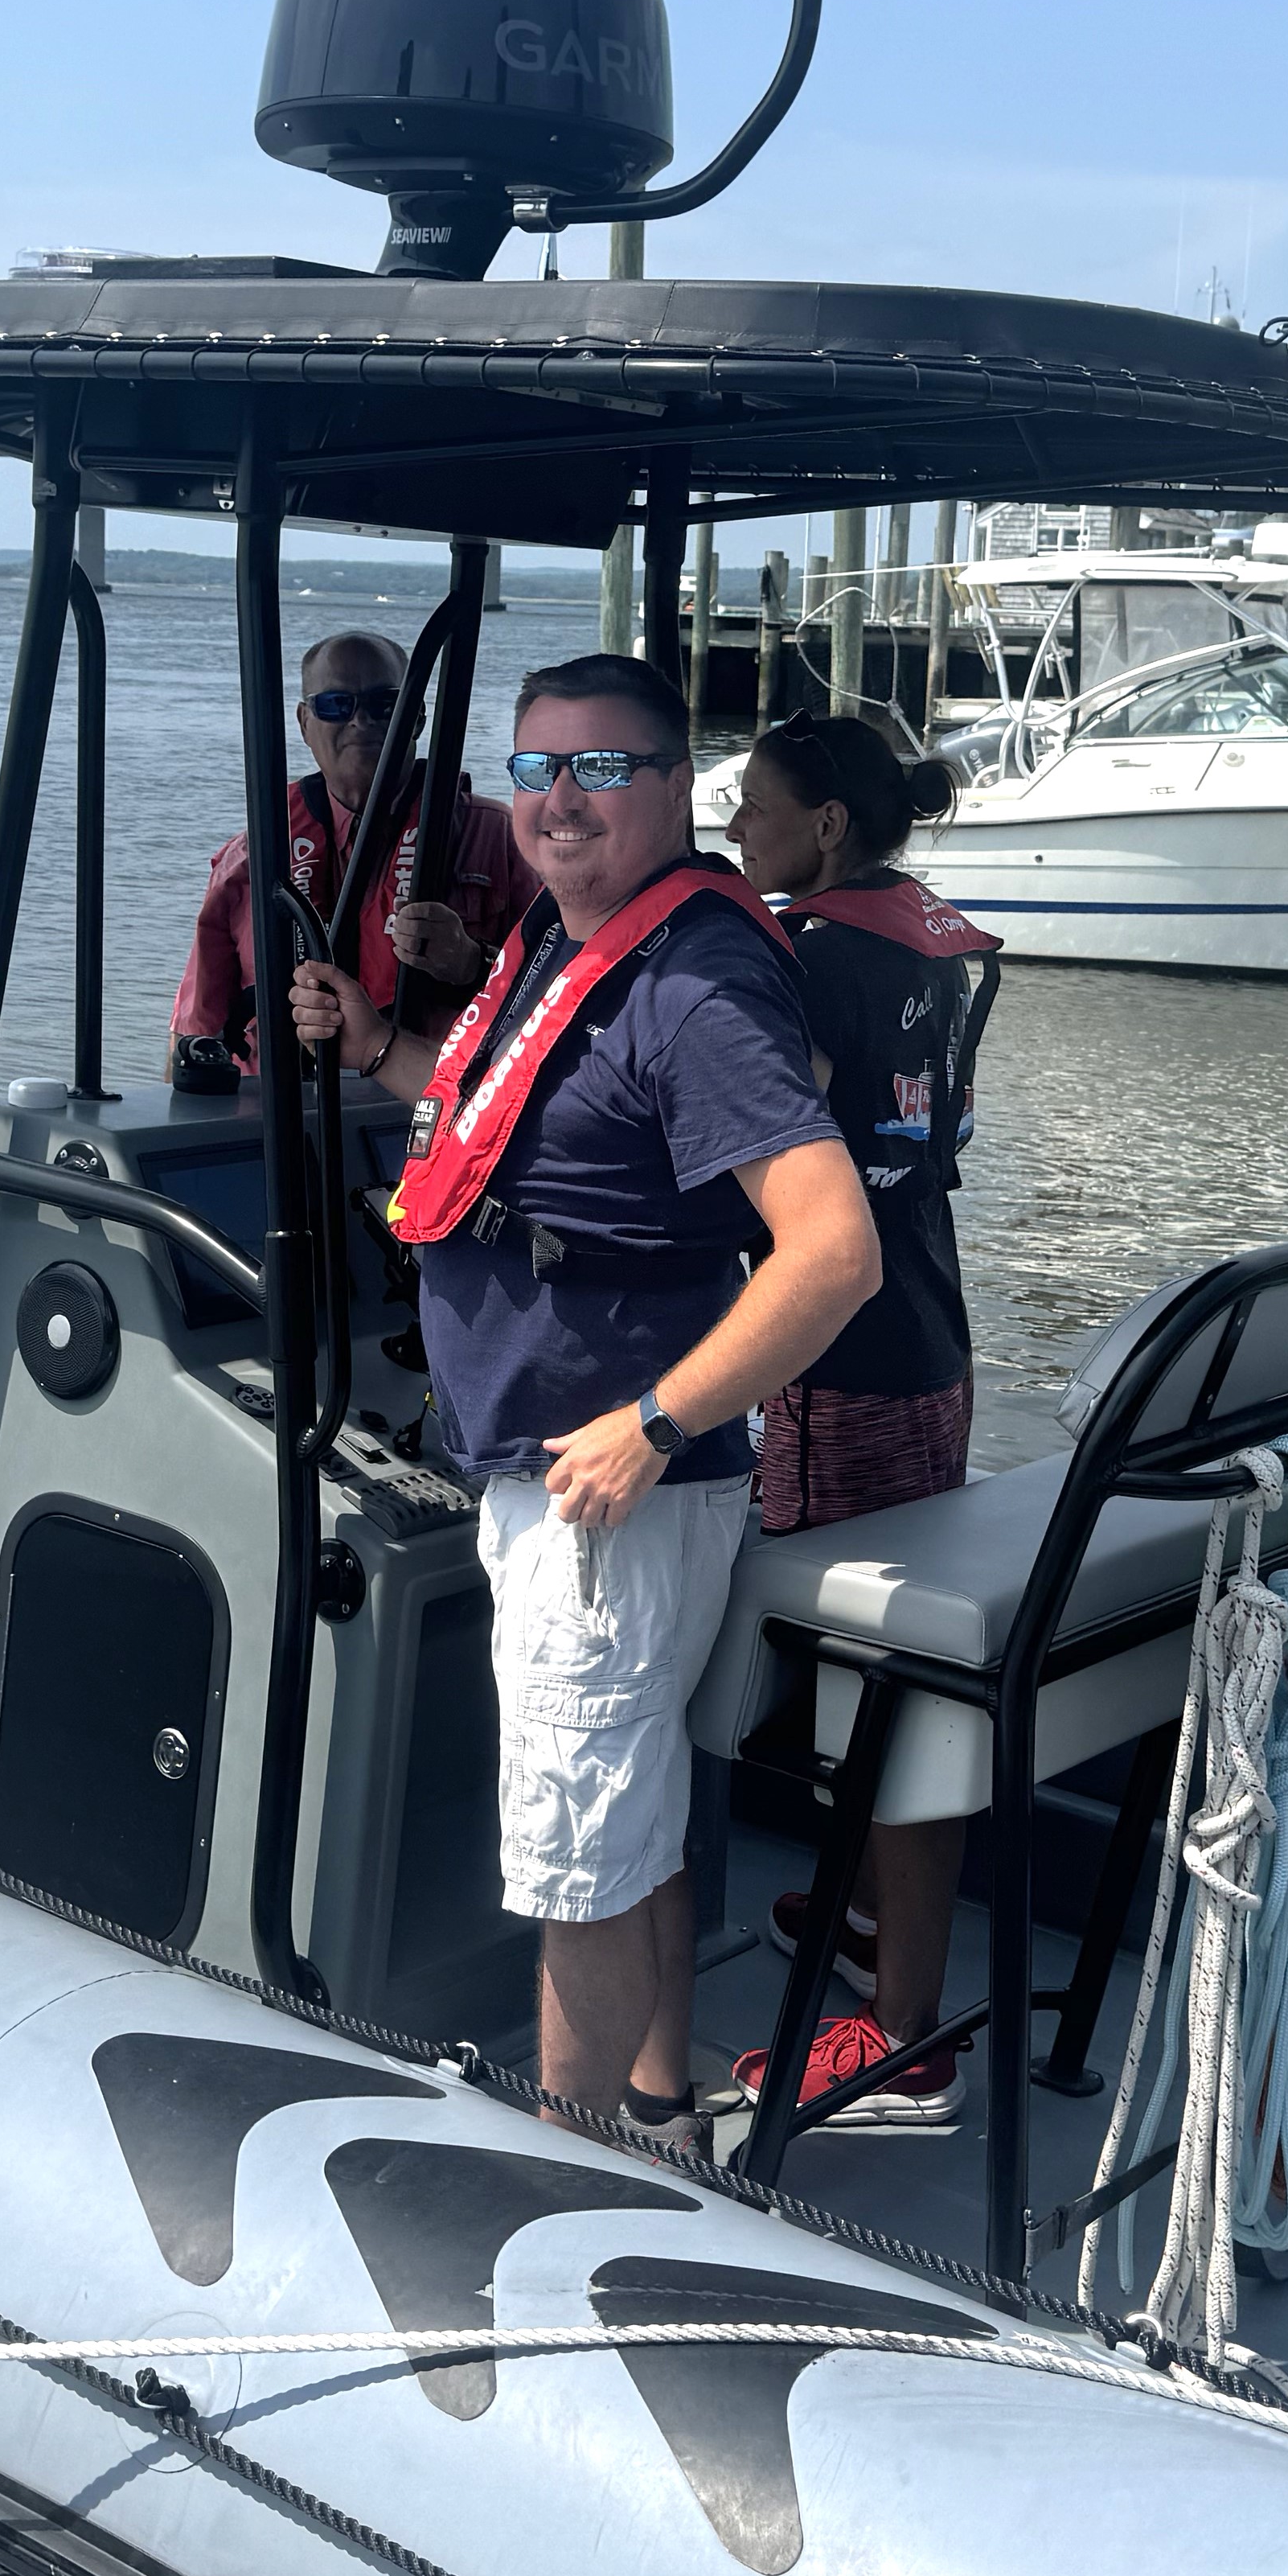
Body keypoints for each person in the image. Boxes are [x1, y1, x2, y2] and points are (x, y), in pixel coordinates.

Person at [287, 654, 876, 2133]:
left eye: (601, 769)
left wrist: (653, 1421)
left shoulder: (693, 986)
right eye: (536, 767)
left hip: (606, 1493)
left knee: (577, 1866)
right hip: (555, 1474)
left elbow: (833, 1249)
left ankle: (566, 2164)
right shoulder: (575, 941)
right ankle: (658, 2109)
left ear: (678, 789)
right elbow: (497, 1111)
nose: (559, 800)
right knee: (631, 1828)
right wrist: (369, 1039)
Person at [712, 713, 1003, 2134]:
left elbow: (776, 1142)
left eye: (757, 805)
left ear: (828, 823)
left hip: (841, 1357)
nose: (738, 821)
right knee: (895, 1675)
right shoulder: (935, 937)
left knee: (879, 1693)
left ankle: (904, 2034)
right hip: (934, 1331)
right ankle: (887, 1929)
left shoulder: (810, 953)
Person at [173, 628, 534, 1085]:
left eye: (386, 705)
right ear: (305, 723)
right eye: (336, 705)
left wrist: (470, 963)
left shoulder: (502, 838)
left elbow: (565, 998)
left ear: (418, 720)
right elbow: (195, 1033)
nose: (360, 722)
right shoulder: (255, 853)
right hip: (284, 1122)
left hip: (431, 1117)